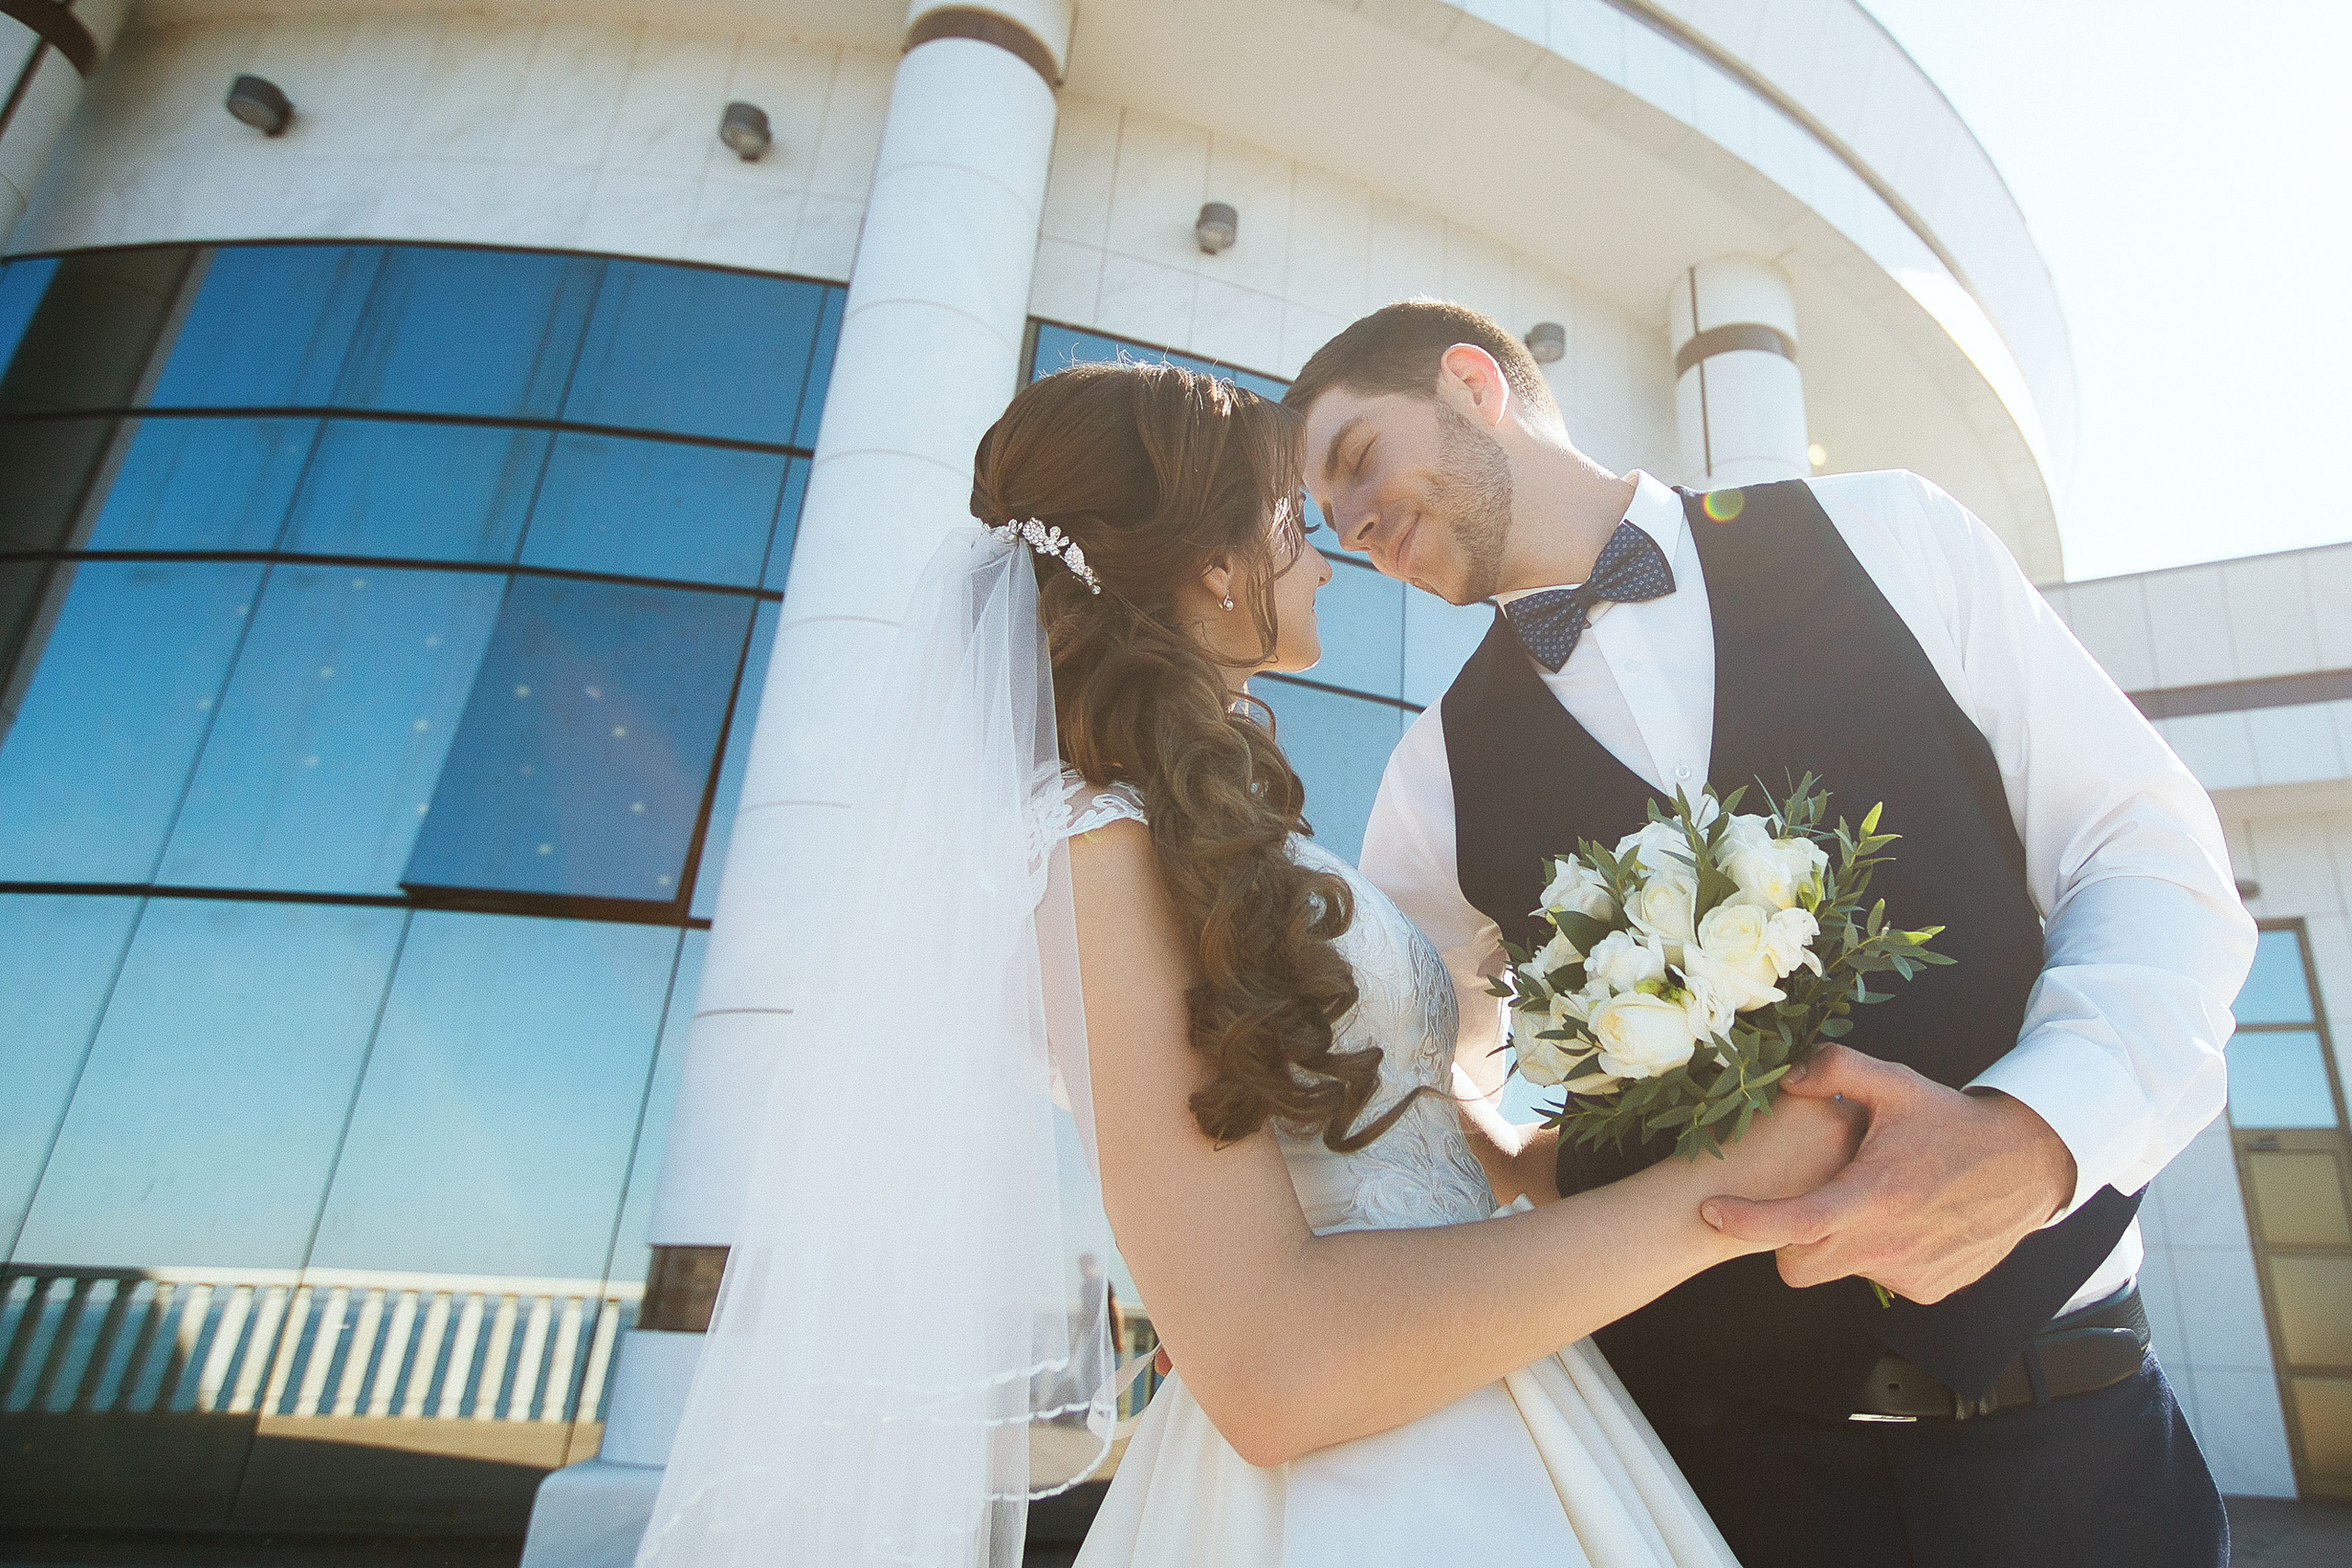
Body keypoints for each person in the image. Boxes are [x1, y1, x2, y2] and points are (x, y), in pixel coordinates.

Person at [634, 359, 1858, 1568]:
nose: (1325, 553)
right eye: (1287, 522)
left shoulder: (1203, 838)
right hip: (1357, 1491)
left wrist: (1685, 1104)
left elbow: (1419, 1149)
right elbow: (1266, 1368)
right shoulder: (1088, 846)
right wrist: (1717, 1202)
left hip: (1504, 1401)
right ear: (1216, 569)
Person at [1283, 299, 2258, 1568]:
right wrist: (1537, 1181)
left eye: (1358, 461)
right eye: (1327, 520)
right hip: (1710, 1487)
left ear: (1475, 386)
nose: (1352, 530)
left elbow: (2146, 854)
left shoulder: (1891, 533)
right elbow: (1413, 1088)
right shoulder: (1433, 782)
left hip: (2069, 1449)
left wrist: (2041, 1135)